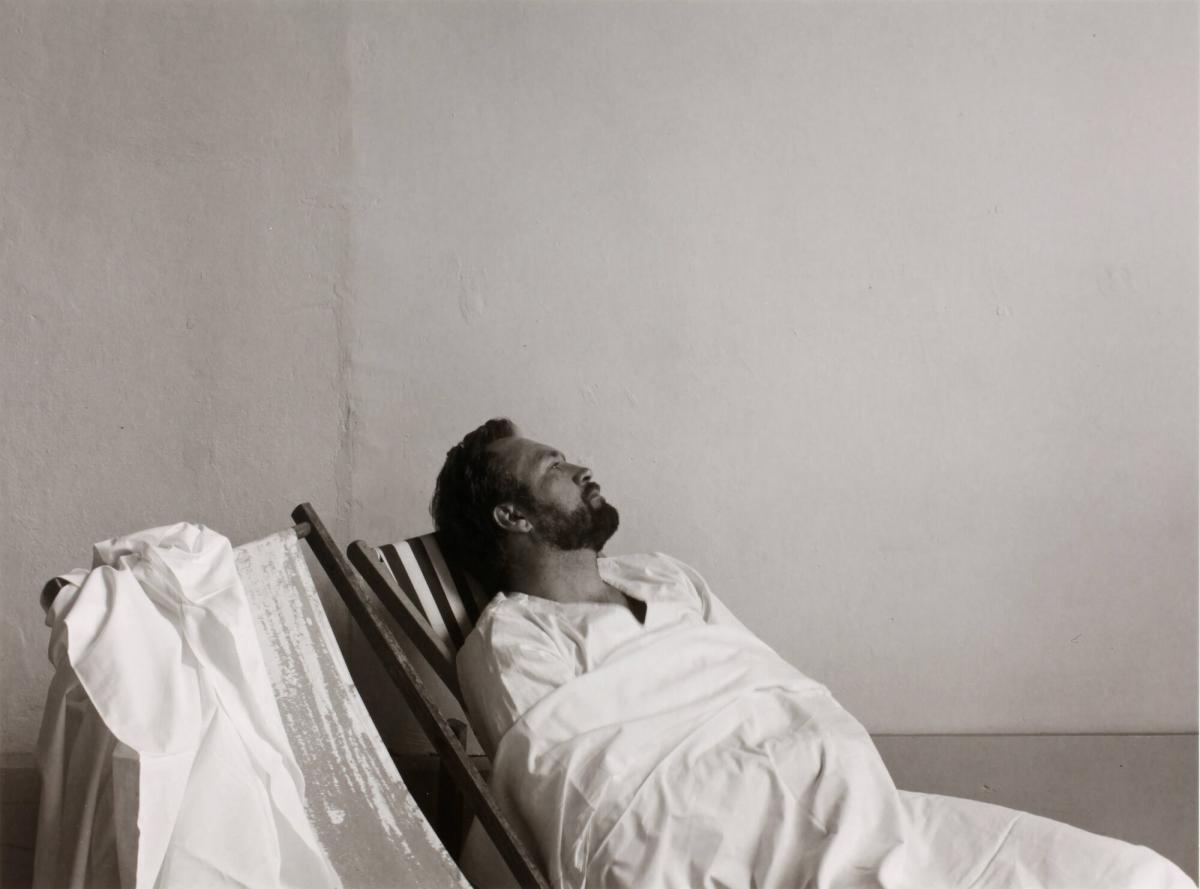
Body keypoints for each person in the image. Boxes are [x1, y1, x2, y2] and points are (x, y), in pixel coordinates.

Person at [432, 418, 1193, 889]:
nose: (580, 469)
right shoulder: (511, 641)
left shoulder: (663, 577)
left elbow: (765, 683)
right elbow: (587, 798)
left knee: (1135, 877)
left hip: (863, 808)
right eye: (554, 467)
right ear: (512, 516)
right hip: (735, 850)